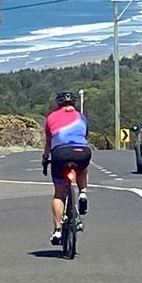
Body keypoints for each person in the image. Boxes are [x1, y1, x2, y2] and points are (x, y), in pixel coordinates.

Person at [41, 90, 91, 245]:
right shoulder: (81, 117)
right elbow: (85, 136)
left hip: (60, 154)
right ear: (74, 103)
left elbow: (49, 143)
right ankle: (82, 193)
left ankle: (57, 231)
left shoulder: (51, 117)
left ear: (58, 103)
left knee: (59, 194)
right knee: (82, 168)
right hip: (82, 152)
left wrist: (45, 158)